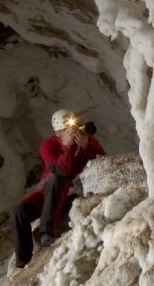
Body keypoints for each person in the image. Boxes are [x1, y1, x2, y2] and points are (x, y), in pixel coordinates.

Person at [10, 109, 105, 268]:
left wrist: (88, 147)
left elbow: (105, 162)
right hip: (48, 190)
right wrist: (67, 147)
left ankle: (47, 233)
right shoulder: (48, 145)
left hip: (73, 192)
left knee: (60, 183)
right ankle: (23, 261)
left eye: (75, 127)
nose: (73, 131)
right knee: (17, 211)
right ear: (58, 133)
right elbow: (60, 171)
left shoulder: (87, 140)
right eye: (67, 129)